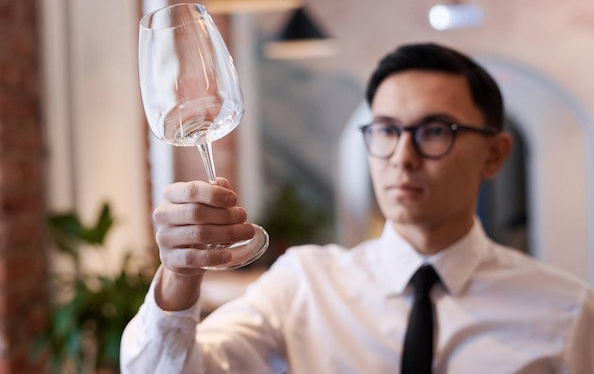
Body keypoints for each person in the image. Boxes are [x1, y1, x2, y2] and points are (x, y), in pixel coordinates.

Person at [120, 43, 594, 373]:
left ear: (495, 154)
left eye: (434, 131)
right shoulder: (304, 284)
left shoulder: (565, 310)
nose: (402, 157)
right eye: (386, 130)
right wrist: (179, 275)